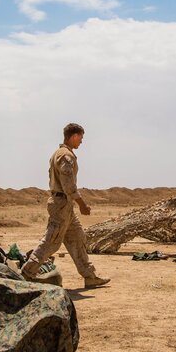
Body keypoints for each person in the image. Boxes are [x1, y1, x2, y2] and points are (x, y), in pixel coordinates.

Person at [21, 123, 110, 288]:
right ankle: (27, 273)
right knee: (51, 241)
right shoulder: (65, 156)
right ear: (74, 136)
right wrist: (82, 204)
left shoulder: (59, 153)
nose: (81, 142)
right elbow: (68, 185)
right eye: (81, 138)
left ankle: (90, 276)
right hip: (62, 204)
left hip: (65, 205)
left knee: (78, 238)